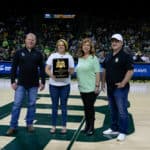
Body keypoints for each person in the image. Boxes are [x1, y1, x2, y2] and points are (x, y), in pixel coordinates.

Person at [6, 33, 45, 136]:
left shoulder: (38, 54)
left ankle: (29, 124)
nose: (31, 41)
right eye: (29, 39)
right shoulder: (19, 52)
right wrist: (12, 81)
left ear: (35, 41)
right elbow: (14, 67)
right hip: (21, 84)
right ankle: (13, 126)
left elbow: (42, 69)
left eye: (33, 39)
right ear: (25, 40)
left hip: (34, 84)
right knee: (16, 105)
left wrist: (43, 82)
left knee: (32, 104)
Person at [101, 33, 134, 141]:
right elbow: (104, 69)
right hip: (110, 87)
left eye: (117, 41)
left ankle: (123, 131)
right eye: (113, 41)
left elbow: (130, 70)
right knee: (112, 110)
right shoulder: (109, 55)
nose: (114, 43)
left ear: (121, 43)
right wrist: (103, 82)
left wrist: (123, 83)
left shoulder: (125, 55)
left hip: (120, 88)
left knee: (122, 110)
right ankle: (114, 128)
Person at [45, 39, 74, 134]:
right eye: (59, 45)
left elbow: (72, 71)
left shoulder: (69, 57)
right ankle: (53, 126)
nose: (61, 46)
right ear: (57, 46)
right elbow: (47, 69)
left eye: (63, 45)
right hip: (53, 85)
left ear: (65, 46)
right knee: (54, 106)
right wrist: (51, 75)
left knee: (64, 106)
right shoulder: (52, 56)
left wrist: (66, 71)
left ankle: (64, 126)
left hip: (65, 85)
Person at [76, 38, 100, 136]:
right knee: (86, 108)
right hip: (82, 87)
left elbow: (97, 72)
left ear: (91, 48)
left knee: (90, 108)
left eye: (88, 45)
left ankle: (91, 127)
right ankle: (87, 126)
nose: (86, 47)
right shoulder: (80, 58)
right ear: (82, 47)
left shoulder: (94, 58)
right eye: (84, 45)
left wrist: (97, 86)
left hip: (91, 88)